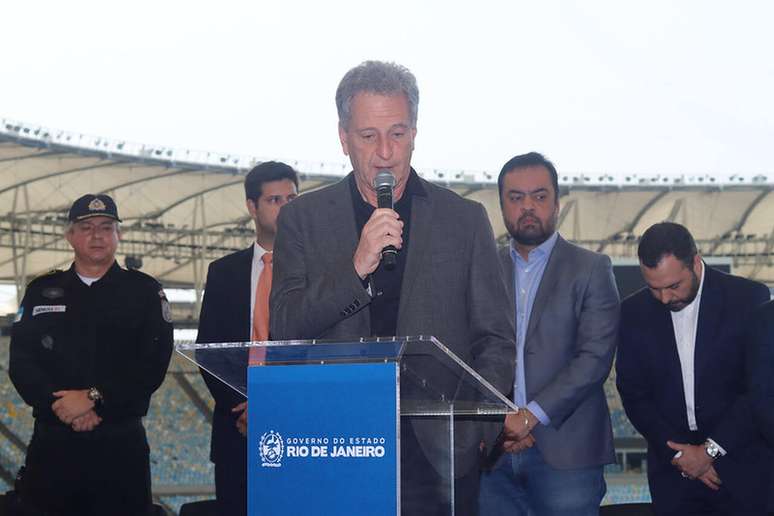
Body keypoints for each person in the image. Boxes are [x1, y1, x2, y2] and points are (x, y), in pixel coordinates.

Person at [270, 60, 515, 515]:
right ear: (343, 138)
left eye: (398, 133)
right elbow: (284, 330)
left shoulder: (463, 220)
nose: (386, 152)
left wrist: (477, 430)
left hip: (440, 453)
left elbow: (495, 340)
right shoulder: (302, 219)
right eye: (368, 136)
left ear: (415, 132)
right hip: (336, 446)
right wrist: (355, 268)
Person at [8, 193, 173, 516]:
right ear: (69, 235)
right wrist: (62, 406)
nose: (97, 235)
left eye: (106, 226)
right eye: (86, 227)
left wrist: (95, 398)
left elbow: (152, 365)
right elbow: (22, 362)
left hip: (119, 446)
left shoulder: (144, 292)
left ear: (118, 235)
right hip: (54, 444)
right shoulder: (41, 290)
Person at [479, 152, 619, 516]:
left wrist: (529, 417)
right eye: (516, 197)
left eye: (539, 197)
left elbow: (594, 358)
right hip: (494, 454)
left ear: (557, 203)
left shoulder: (591, 269)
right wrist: (501, 422)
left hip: (567, 454)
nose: (528, 207)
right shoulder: (482, 269)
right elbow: (470, 351)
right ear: (502, 205)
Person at [617, 222, 771, 515]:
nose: (664, 298)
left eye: (674, 286)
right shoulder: (632, 313)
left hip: (742, 468)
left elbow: (758, 390)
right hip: (674, 474)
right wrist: (681, 455)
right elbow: (634, 394)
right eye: (654, 288)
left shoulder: (748, 299)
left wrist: (710, 451)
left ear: (696, 263)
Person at [196, 161, 299, 516]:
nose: (286, 207)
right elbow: (209, 352)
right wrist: (245, 404)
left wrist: (274, 404)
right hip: (238, 427)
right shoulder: (223, 273)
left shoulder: (318, 271)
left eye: (292, 198)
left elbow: (321, 348)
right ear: (252, 207)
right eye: (274, 200)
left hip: (301, 424)